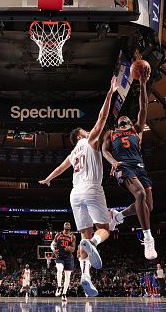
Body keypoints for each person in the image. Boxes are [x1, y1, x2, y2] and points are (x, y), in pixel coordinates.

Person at [39, 76, 118, 297]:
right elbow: (103, 117)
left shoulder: (73, 153)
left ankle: (85, 276)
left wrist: (48, 179)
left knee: (83, 235)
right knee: (104, 230)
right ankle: (93, 242)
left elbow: (60, 169)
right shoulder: (90, 141)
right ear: (82, 135)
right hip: (92, 188)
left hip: (75, 194)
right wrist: (110, 93)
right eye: (85, 130)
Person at [102, 64, 157, 260]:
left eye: (127, 117)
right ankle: (148, 238)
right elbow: (104, 151)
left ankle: (118, 216)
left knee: (147, 207)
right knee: (140, 194)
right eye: (122, 117)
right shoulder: (111, 133)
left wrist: (142, 83)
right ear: (118, 122)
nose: (124, 117)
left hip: (140, 166)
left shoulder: (137, 130)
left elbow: (144, 106)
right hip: (123, 166)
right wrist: (112, 162)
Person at [51, 222, 76, 301]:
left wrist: (70, 248)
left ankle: (64, 294)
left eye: (68, 224)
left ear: (70, 227)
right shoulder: (58, 235)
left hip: (68, 257)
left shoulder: (72, 236)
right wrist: (53, 250)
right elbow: (52, 244)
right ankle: (59, 286)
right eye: (65, 224)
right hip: (60, 256)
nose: (67, 225)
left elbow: (73, 249)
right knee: (59, 269)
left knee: (68, 276)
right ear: (63, 226)